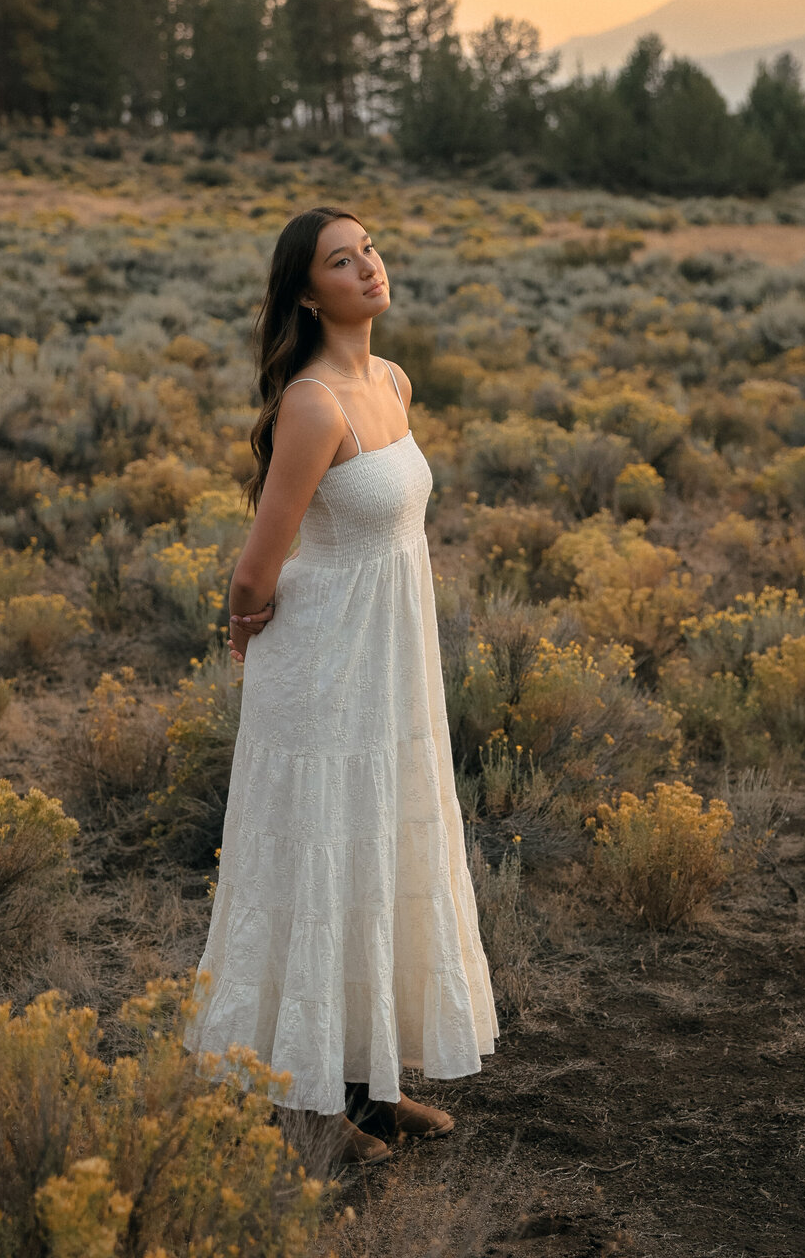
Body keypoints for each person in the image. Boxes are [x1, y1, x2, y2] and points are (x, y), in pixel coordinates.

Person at [185, 205, 497, 1166]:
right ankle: (306, 1107)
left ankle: (370, 1091)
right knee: (320, 860)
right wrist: (248, 640)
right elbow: (253, 571)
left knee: (381, 858)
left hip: (391, 672)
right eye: (341, 261)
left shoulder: (393, 382)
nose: (368, 268)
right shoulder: (313, 404)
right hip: (323, 677)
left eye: (369, 251)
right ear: (307, 292)